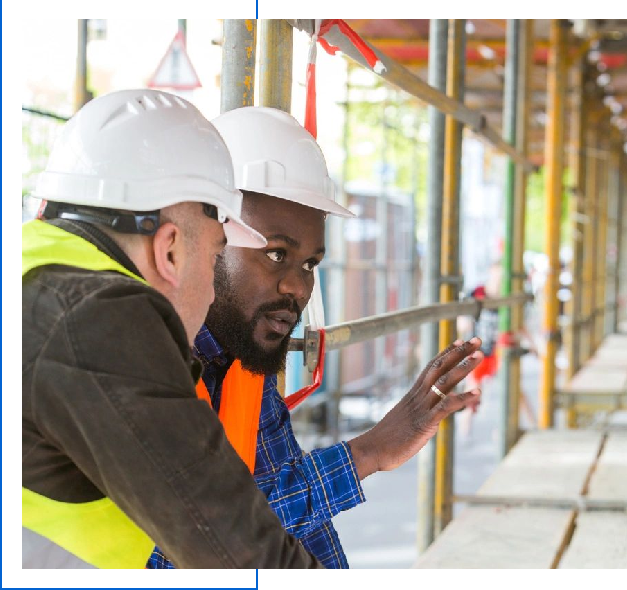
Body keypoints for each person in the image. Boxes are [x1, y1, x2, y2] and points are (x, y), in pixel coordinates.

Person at [147, 106, 485, 569]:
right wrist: (368, 452)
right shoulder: (144, 359)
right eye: (276, 254)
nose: (298, 287)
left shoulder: (241, 359)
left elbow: (289, 528)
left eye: (309, 264)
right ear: (208, 238)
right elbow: (181, 546)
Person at [22, 89, 331, 569]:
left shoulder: (36, 275)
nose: (211, 294)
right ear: (169, 250)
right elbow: (239, 551)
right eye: (214, 259)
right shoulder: (100, 325)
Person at [457, 262, 539, 440]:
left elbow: (519, 325)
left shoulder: (506, 299)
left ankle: (534, 424)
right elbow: (462, 320)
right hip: (479, 351)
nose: (498, 280)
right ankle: (465, 431)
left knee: (515, 387)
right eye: (497, 275)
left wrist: (533, 345)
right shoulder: (476, 293)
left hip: (499, 351)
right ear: (490, 273)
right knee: (473, 391)